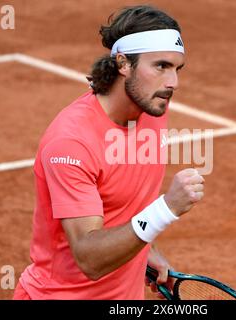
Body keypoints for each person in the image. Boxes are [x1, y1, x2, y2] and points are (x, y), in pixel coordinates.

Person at [14, 5, 204, 300]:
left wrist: (144, 250)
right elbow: (89, 259)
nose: (172, 83)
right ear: (123, 64)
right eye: (161, 66)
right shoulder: (72, 143)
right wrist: (165, 209)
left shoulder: (152, 106)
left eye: (176, 69)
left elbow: (121, 205)